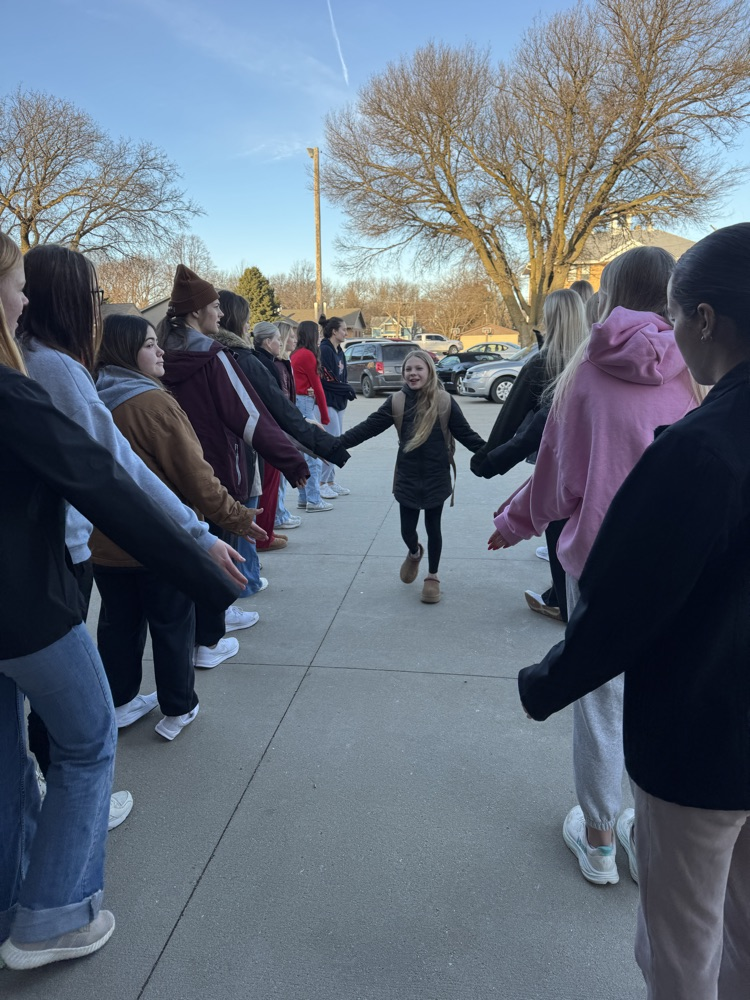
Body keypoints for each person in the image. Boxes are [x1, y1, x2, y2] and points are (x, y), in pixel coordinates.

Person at [517, 222, 750, 999]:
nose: (671, 336)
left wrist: (548, 681)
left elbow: (628, 601)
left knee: (680, 946)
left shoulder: (698, 447)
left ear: (706, 320)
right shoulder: (694, 417)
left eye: (679, 319)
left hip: (702, 740)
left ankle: (597, 831)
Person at [0, 314, 241, 970]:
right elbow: (104, 476)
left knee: (11, 760)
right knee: (86, 740)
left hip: (37, 594)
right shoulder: (26, 382)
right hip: (26, 602)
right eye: (14, 284)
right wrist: (201, 560)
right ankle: (53, 917)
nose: (23, 301)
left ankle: (12, 903)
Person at [489, 246, 699, 885]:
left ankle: (601, 839)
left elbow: (557, 481)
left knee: (601, 700)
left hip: (601, 563)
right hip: (677, 564)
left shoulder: (586, 371)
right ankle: (649, 833)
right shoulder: (699, 367)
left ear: (608, 296)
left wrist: (513, 522)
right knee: (663, 695)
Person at [15, 240, 243, 817]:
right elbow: (117, 467)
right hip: (55, 559)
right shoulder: (56, 367)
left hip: (64, 553)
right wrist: (200, 534)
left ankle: (30, 815)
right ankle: (67, 843)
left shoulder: (29, 361)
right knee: (83, 732)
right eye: (94, 295)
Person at [91, 314, 267, 737]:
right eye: (149, 344)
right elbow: (196, 477)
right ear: (125, 351)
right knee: (172, 625)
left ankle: (121, 702)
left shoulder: (91, 398)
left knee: (118, 626)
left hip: (105, 541)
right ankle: (178, 708)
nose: (160, 352)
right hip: (160, 540)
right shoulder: (153, 403)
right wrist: (236, 516)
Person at [471, 289, 589, 622]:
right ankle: (559, 596)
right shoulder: (592, 358)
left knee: (558, 530)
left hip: (558, 465)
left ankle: (565, 606)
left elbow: (511, 420)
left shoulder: (542, 362)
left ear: (550, 319)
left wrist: (486, 460)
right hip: (595, 462)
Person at [340, 350, 485, 603]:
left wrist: (496, 455)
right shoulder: (396, 401)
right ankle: (414, 552)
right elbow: (367, 428)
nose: (413, 374)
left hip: (436, 475)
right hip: (407, 476)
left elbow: (468, 436)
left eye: (419, 369)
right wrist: (334, 444)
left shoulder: (444, 401)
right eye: (408, 369)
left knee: (433, 527)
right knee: (407, 530)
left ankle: (433, 576)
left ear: (429, 371)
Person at [290, 320, 332, 512]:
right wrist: (324, 416)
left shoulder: (295, 353)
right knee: (312, 455)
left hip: (296, 402)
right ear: (312, 335)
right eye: (318, 333)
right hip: (305, 403)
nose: (320, 337)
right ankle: (314, 500)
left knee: (300, 453)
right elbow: (317, 386)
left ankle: (304, 497)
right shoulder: (307, 355)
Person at [318, 314, 355, 498]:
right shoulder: (324, 350)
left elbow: (343, 376)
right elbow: (326, 380)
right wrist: (345, 388)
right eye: (343, 329)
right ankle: (321, 483)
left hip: (339, 402)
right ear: (334, 331)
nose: (346, 333)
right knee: (331, 442)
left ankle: (330, 481)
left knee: (337, 440)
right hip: (328, 402)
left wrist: (345, 389)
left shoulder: (339, 350)